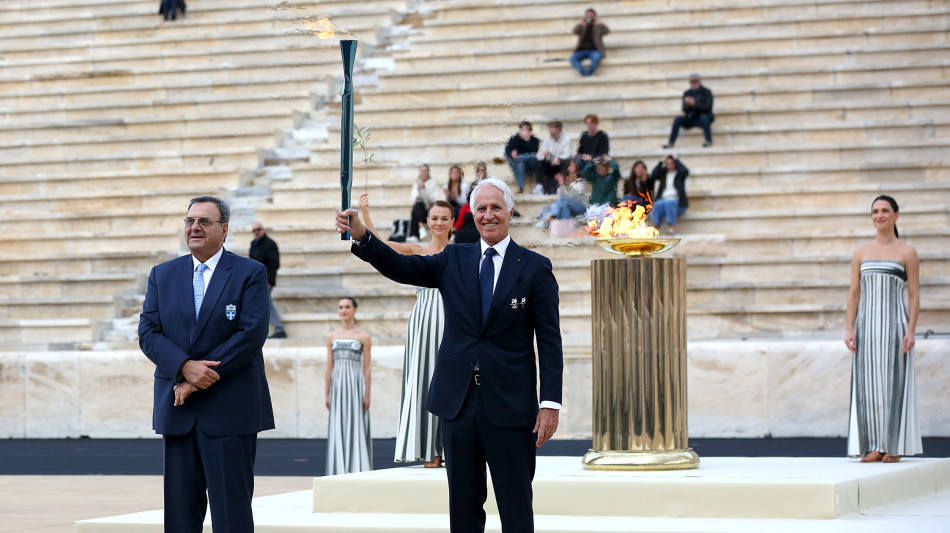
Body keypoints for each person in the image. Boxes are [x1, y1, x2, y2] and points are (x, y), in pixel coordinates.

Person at [336, 177, 563, 533]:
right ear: (472, 214)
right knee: (463, 508)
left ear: (510, 211)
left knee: (516, 507)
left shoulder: (534, 267)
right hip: (458, 403)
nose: (488, 215)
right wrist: (364, 236)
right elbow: (402, 268)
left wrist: (550, 402)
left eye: (496, 208)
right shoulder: (453, 258)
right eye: (481, 208)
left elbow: (550, 341)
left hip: (511, 405)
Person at [139, 195, 274, 533]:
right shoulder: (162, 275)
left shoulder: (250, 273)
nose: (194, 227)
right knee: (180, 516)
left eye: (204, 221)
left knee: (231, 513)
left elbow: (251, 333)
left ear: (224, 230)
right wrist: (185, 367)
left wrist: (199, 376)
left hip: (230, 408)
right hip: (178, 409)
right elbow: (148, 332)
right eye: (190, 221)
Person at [359, 193, 455, 468]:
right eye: (434, 218)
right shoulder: (417, 249)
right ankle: (430, 451)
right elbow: (378, 247)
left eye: (444, 218)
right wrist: (366, 213)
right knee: (424, 380)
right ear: (426, 221)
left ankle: (450, 449)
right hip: (423, 321)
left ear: (452, 222)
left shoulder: (460, 252)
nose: (439, 222)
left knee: (450, 383)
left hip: (452, 320)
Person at [844, 195, 922, 463]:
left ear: (896, 216)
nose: (880, 215)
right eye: (875, 211)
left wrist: (911, 330)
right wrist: (849, 328)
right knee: (869, 384)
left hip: (895, 326)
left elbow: (913, 296)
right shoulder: (861, 252)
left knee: (893, 383)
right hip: (866, 326)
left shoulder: (907, 252)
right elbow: (854, 293)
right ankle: (875, 445)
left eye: (885, 211)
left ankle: (894, 445)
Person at [325, 297, 373, 475]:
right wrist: (327, 393)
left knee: (356, 422)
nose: (343, 310)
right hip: (338, 384)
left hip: (355, 383)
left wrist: (367, 394)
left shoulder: (363, 336)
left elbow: (367, 367)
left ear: (355, 310)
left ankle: (357, 467)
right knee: (338, 423)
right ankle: (339, 468)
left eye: (347, 307)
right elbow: (329, 366)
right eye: (340, 307)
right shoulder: (332, 336)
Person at [249, 222, 287, 339]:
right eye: (254, 230)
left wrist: (269, 281)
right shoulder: (254, 244)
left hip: (266, 282)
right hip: (256, 281)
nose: (256, 232)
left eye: (258, 229)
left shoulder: (270, 244)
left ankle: (279, 329)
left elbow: (274, 264)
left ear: (263, 230)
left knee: (267, 304)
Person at [664, 73, 715, 148]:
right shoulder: (687, 93)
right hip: (691, 118)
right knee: (677, 119)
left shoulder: (706, 92)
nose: (694, 83)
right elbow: (684, 109)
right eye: (692, 81)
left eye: (695, 81)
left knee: (704, 118)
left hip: (703, 118)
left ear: (699, 81)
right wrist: (689, 104)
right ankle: (671, 143)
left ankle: (708, 141)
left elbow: (708, 107)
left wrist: (695, 104)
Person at [539, 159, 588, 228]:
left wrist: (563, 185)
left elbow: (574, 195)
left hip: (581, 207)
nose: (572, 166)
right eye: (570, 165)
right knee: (564, 207)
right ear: (567, 168)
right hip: (569, 207)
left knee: (563, 200)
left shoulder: (581, 180)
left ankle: (552, 216)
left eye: (574, 165)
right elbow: (560, 195)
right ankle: (563, 226)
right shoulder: (565, 180)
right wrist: (562, 184)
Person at [650, 155, 690, 234]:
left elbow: (685, 171)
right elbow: (654, 174)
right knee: (658, 203)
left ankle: (671, 228)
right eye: (668, 163)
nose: (670, 165)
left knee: (669, 203)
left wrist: (677, 159)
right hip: (664, 200)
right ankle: (656, 227)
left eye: (672, 163)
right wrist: (661, 161)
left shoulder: (680, 174)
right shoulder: (663, 174)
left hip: (677, 202)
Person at [504, 120, 541, 194]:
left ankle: (540, 185)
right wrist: (512, 153)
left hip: (531, 163)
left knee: (529, 158)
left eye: (525, 129)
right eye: (522, 129)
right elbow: (507, 151)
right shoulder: (514, 139)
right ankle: (520, 187)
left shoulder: (535, 140)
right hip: (518, 162)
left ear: (530, 131)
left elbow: (533, 152)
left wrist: (526, 140)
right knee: (518, 162)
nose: (523, 132)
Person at [569, 8, 609, 76]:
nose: (589, 18)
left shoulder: (598, 26)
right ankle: (585, 73)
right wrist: (580, 23)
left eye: (591, 16)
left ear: (595, 16)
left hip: (595, 50)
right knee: (572, 58)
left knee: (597, 58)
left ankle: (589, 73)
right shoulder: (582, 26)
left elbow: (607, 31)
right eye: (588, 15)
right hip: (582, 50)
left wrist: (600, 23)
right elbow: (574, 31)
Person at [538, 120, 574, 195]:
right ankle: (540, 185)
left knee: (566, 162)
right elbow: (541, 155)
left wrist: (558, 158)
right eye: (550, 128)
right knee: (540, 163)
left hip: (562, 161)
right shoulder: (547, 140)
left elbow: (568, 154)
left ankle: (562, 185)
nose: (550, 130)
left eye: (552, 128)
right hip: (551, 162)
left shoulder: (567, 139)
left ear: (559, 128)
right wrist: (545, 155)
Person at [409, 164, 440, 242]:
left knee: (417, 207)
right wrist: (419, 189)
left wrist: (423, 190)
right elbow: (413, 199)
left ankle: (414, 234)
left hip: (429, 209)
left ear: (428, 172)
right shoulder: (416, 183)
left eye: (425, 171)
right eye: (422, 171)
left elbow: (432, 200)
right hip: (419, 209)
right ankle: (421, 228)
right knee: (417, 206)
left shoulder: (433, 183)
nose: (423, 173)